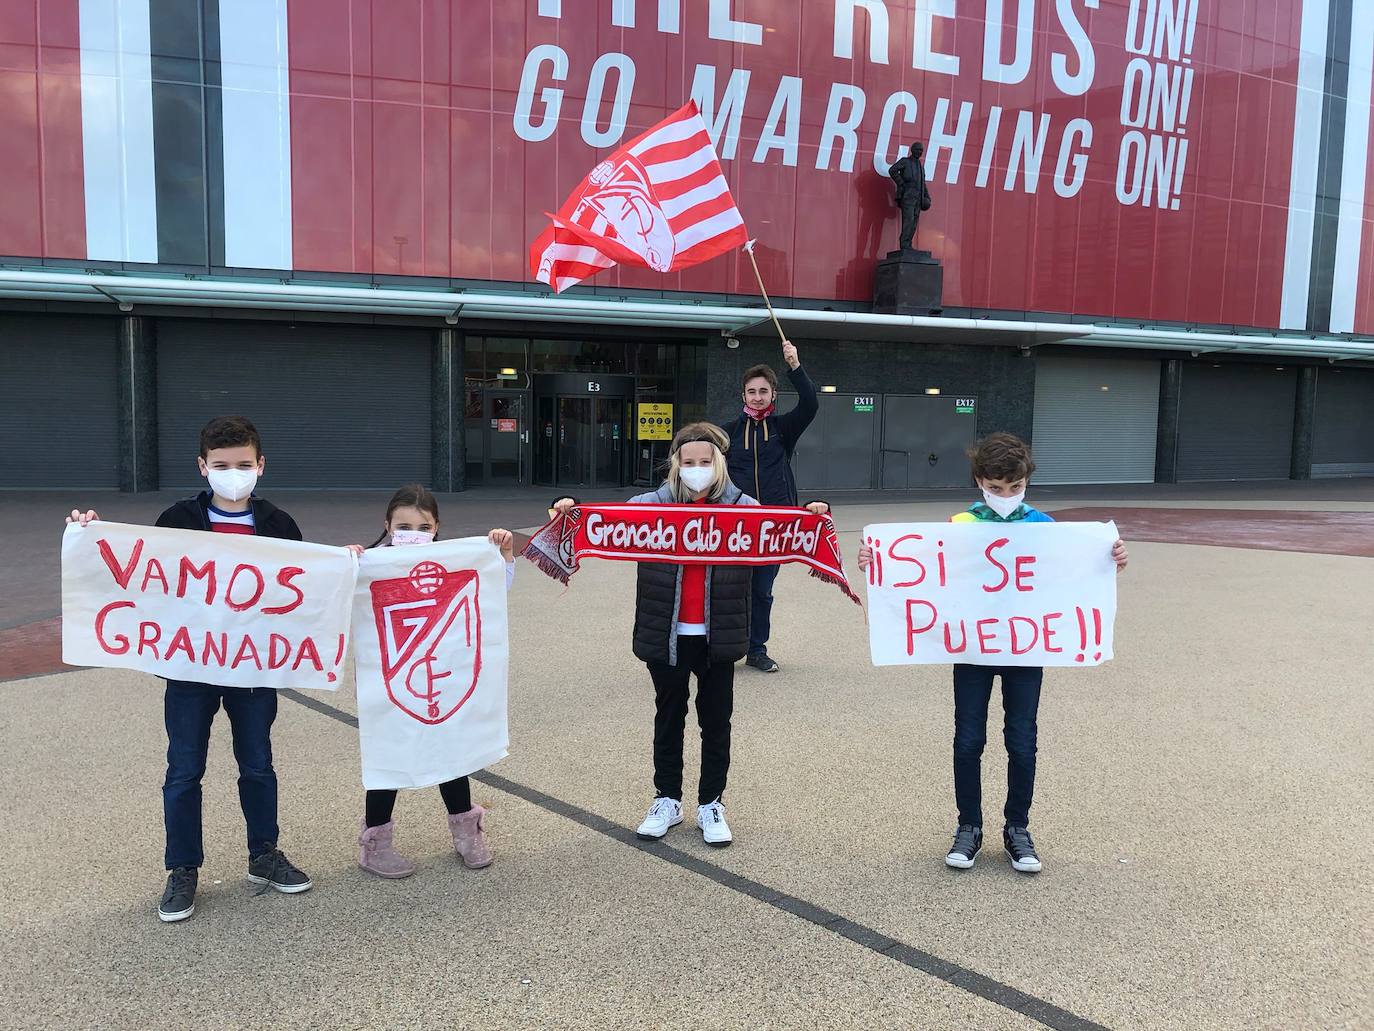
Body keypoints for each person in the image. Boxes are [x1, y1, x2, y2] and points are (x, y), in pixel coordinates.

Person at [67, 415, 314, 923]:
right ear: (203, 467)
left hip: (251, 669)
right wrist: (90, 536)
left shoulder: (279, 524)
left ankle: (264, 855)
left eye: (243, 464)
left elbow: (308, 587)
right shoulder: (177, 519)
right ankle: (182, 870)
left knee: (258, 765)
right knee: (183, 770)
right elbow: (141, 574)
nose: (233, 473)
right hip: (190, 668)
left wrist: (351, 560)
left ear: (260, 465)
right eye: (222, 465)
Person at [858, 432, 1129, 874]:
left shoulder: (1043, 527)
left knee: (1022, 742)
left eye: (1015, 488)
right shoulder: (961, 526)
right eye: (997, 488)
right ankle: (969, 826)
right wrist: (879, 562)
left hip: (1026, 647)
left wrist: (1108, 559)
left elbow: (1070, 574)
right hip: (973, 647)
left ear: (1027, 482)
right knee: (969, 740)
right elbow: (929, 571)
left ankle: (1017, 828)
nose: (1006, 496)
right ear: (980, 481)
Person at [552, 423, 829, 847]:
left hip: (720, 634)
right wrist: (567, 507)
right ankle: (667, 799)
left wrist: (810, 516)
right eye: (688, 462)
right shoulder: (648, 505)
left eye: (704, 462)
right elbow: (602, 521)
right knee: (668, 718)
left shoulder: (745, 507)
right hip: (666, 632)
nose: (695, 469)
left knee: (716, 722)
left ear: (718, 463)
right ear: (675, 464)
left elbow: (781, 531)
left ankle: (711, 802)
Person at [351, 484, 515, 879]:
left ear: (437, 526)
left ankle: (466, 831)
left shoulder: (454, 561)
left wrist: (502, 555)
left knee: (451, 751)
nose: (413, 532)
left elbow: (490, 594)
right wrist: (348, 564)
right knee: (388, 758)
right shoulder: (372, 565)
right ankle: (376, 844)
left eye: (423, 526)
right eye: (403, 524)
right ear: (387, 525)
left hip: (444, 678)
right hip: (394, 680)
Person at [723, 339, 819, 673]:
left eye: (764, 391)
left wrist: (795, 365)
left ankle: (756, 650)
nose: (758, 397)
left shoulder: (782, 429)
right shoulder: (728, 433)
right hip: (734, 529)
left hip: (773, 530)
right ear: (743, 396)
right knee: (730, 592)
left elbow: (810, 403)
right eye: (752, 391)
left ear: (773, 395)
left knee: (762, 592)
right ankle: (724, 648)